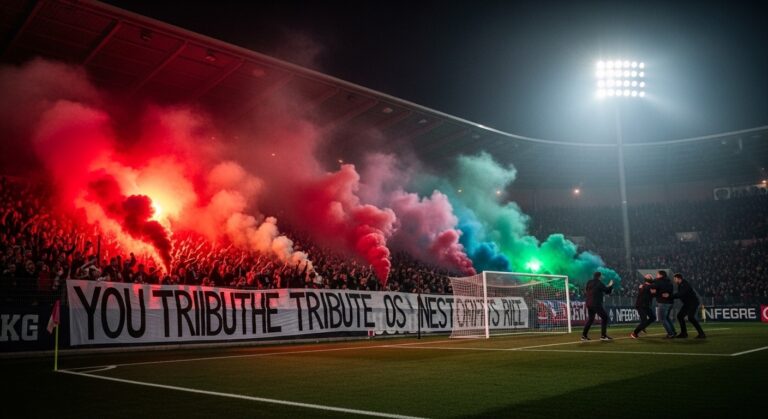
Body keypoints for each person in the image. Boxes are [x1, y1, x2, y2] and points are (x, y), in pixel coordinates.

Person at [581, 271, 615, 341]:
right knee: (605, 317)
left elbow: (587, 290)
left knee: (590, 319)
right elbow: (607, 291)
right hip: (596, 303)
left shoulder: (589, 282)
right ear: (599, 276)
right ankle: (603, 336)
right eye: (601, 276)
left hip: (588, 303)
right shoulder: (600, 283)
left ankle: (584, 336)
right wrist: (610, 285)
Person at [672, 273, 706, 339]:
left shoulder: (685, 284)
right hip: (687, 304)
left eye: (675, 279)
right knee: (680, 316)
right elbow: (680, 294)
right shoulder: (681, 285)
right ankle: (684, 333)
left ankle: (701, 334)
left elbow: (681, 294)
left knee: (691, 317)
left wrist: (671, 296)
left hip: (693, 303)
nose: (674, 280)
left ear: (679, 278)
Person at [651, 270, 676, 338]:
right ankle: (673, 332)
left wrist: (654, 291)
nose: (656, 276)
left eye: (657, 274)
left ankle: (670, 334)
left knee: (662, 319)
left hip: (663, 302)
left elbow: (654, 290)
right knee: (667, 318)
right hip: (670, 302)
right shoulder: (669, 282)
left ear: (661, 275)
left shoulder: (658, 281)